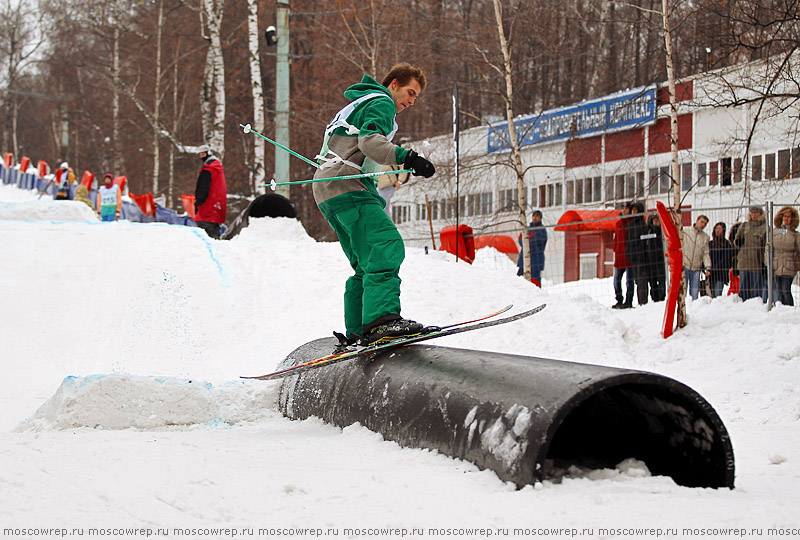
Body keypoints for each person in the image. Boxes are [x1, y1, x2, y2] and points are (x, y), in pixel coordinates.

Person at [311, 63, 435, 346]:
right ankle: (382, 321)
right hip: (348, 187)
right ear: (393, 84)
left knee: (364, 264)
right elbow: (370, 143)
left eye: (416, 97)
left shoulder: (357, 103)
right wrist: (410, 158)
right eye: (410, 92)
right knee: (386, 245)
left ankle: (358, 329)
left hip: (327, 190)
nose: (412, 101)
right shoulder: (382, 101)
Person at [194, 144, 227, 239]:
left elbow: (202, 189)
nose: (201, 157)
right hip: (217, 210)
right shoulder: (218, 170)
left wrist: (198, 203)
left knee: (204, 239)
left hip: (206, 210)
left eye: (202, 155)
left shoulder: (208, 170)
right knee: (215, 238)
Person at [735, 205, 767, 302]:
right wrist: (738, 241)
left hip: (757, 263)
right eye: (752, 212)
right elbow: (736, 240)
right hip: (744, 262)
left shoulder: (765, 227)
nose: (754, 215)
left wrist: (764, 262)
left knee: (757, 290)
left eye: (756, 212)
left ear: (760, 214)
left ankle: (756, 307)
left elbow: (766, 246)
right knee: (743, 290)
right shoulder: (745, 225)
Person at [771, 206, 800, 306]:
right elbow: (768, 247)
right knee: (779, 291)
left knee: (786, 290)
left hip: (789, 265)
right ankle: (781, 309)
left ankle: (789, 309)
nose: (786, 219)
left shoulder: (795, 235)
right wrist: (768, 262)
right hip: (776, 265)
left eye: (789, 217)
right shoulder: (775, 232)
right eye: (785, 216)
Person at [625, 202, 651, 306]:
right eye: (633, 210)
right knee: (637, 280)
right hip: (633, 256)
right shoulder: (630, 225)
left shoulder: (643, 225)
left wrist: (642, 254)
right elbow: (628, 241)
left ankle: (643, 301)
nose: (634, 212)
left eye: (636, 210)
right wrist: (628, 253)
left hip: (642, 257)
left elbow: (644, 242)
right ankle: (640, 301)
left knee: (642, 280)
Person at [682, 215, 711, 300]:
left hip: (696, 267)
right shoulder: (685, 231)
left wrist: (708, 267)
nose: (703, 225)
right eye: (702, 222)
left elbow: (706, 253)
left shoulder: (705, 237)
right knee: (683, 290)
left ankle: (694, 307)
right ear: (697, 220)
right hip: (685, 265)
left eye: (705, 224)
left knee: (695, 292)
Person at [516, 210, 548, 287]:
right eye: (533, 216)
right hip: (523, 260)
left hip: (535, 260)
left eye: (537, 216)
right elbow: (521, 240)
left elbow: (532, 242)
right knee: (519, 280)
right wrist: (526, 241)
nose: (535, 218)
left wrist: (526, 241)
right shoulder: (527, 229)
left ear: (540, 218)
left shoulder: (541, 230)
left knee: (535, 282)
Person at [612, 203, 634, 309]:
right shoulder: (618, 224)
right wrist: (615, 248)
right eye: (623, 208)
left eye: (626, 209)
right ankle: (619, 299)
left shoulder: (632, 223)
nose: (624, 210)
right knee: (617, 280)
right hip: (619, 256)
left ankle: (628, 301)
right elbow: (615, 238)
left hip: (629, 256)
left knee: (629, 281)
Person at [708, 222, 734, 298]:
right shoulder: (710, 244)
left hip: (721, 273)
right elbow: (706, 256)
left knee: (718, 293)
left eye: (719, 229)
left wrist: (716, 267)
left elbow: (726, 258)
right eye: (716, 228)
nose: (717, 231)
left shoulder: (726, 244)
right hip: (711, 274)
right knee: (711, 293)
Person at [646, 214, 666, 302]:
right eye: (654, 220)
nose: (656, 222)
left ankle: (662, 296)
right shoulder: (648, 231)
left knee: (661, 280)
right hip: (650, 260)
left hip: (661, 260)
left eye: (657, 221)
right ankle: (654, 297)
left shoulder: (663, 231)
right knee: (652, 281)